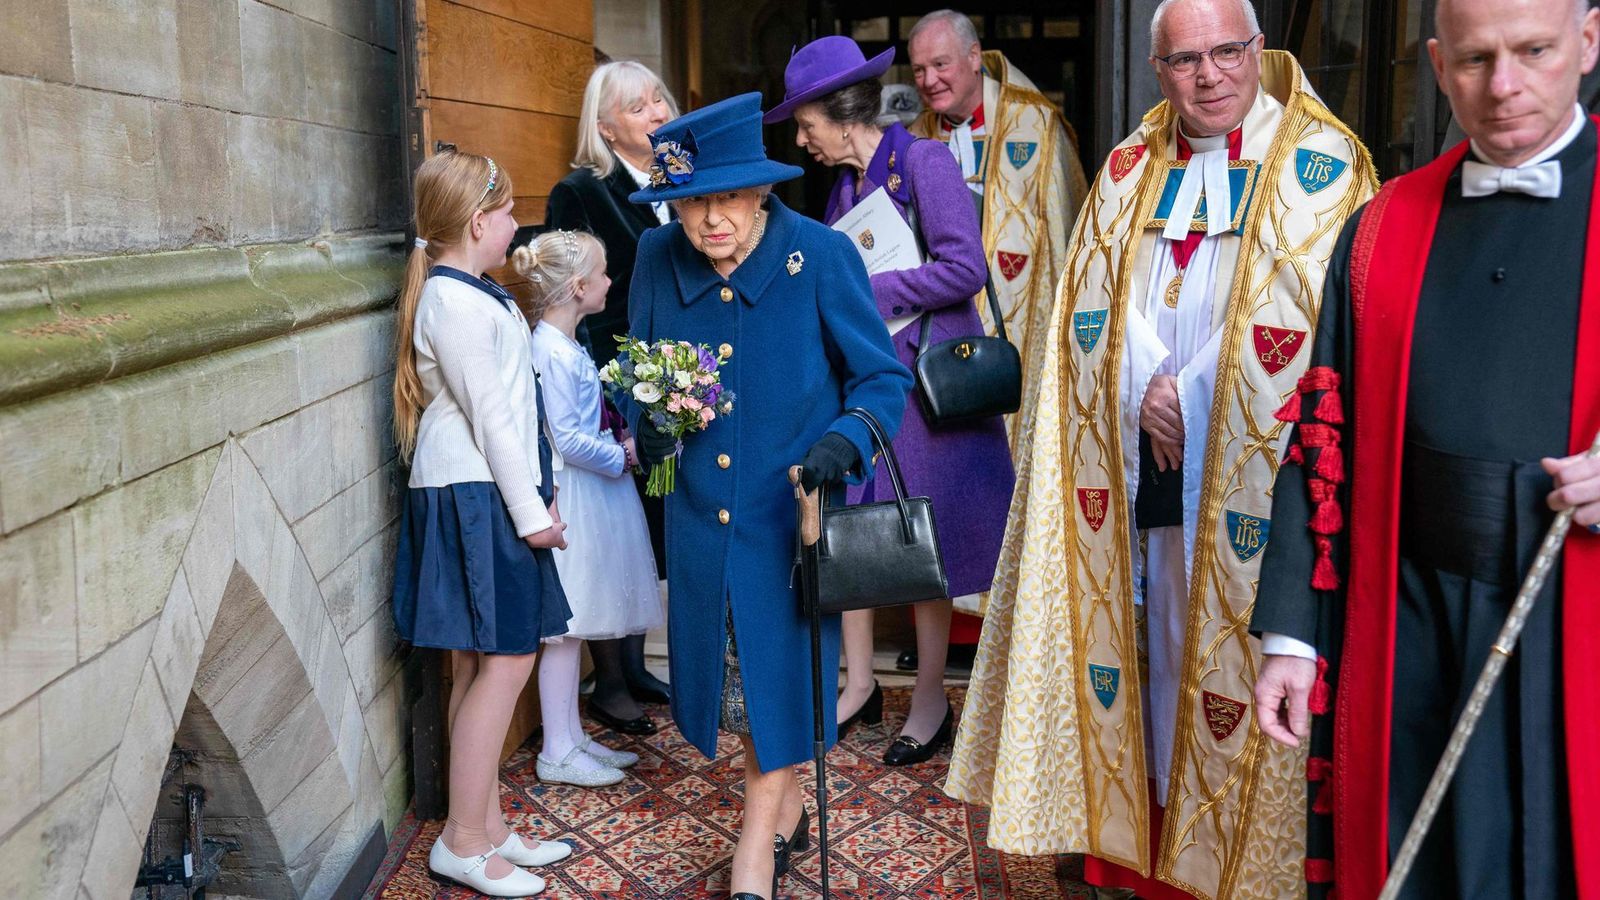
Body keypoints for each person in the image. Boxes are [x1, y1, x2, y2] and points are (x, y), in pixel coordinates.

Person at [942, 2, 1377, 898]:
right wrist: (1144, 389)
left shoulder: (1325, 169)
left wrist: (1198, 387)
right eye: (1183, 61)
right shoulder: (1128, 169)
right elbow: (1086, 305)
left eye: (1226, 52)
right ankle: (1129, 838)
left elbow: (1317, 318)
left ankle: (1227, 862)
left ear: (1259, 49)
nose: (1208, 76)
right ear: (1156, 70)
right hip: (1137, 457)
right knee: (1146, 639)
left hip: (1255, 476)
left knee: (1226, 648)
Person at [1251, 0, 1600, 896]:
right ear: (1439, 67)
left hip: (1576, 617)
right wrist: (1291, 634)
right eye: (1477, 60)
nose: (1506, 86)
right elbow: (1319, 437)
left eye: (1534, 51)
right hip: (1403, 623)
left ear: (1588, 43)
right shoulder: (1383, 224)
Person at [624, 92, 912, 900]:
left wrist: (844, 440)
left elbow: (881, 379)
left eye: (726, 198)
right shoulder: (656, 257)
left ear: (759, 190)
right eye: (692, 203)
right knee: (728, 688)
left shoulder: (819, 255)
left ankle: (755, 846)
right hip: (698, 522)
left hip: (790, 519)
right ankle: (787, 812)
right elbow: (640, 369)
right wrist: (645, 428)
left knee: (774, 683)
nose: (711, 220)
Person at [764, 35, 1014, 766]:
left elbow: (964, 269)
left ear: (841, 115)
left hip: (930, 388)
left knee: (923, 540)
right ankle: (860, 684)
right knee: (860, 528)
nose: (802, 141)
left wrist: (863, 294)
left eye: (805, 125)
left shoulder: (925, 162)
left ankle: (932, 695)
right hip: (873, 385)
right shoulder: (844, 188)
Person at [390, 151, 576, 897]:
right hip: (476, 494)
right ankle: (462, 843)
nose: (515, 225)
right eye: (506, 214)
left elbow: (513, 411)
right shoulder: (455, 303)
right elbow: (493, 420)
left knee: (483, 663)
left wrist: (541, 491)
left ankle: (487, 825)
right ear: (477, 222)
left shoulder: (472, 292)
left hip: (488, 490)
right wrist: (532, 516)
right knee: (504, 660)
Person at [904, 7, 1090, 648]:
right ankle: (949, 628)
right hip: (940, 342)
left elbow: (1069, 237)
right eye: (919, 68)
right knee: (948, 478)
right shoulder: (911, 139)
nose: (929, 80)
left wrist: (1075, 343)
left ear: (975, 58)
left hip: (1022, 338)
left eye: (941, 65)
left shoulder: (1036, 127)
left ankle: (1011, 632)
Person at [546, 60, 678, 733]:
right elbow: (575, 294)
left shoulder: (680, 181)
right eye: (638, 107)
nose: (657, 113)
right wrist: (604, 390)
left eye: (659, 100)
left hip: (674, 377)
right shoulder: (582, 191)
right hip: (612, 380)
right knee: (611, 521)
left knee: (646, 530)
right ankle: (609, 681)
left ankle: (633, 665)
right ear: (605, 127)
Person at [516, 230, 663, 788]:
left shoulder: (566, 344)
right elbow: (569, 439)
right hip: (576, 496)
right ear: (578, 288)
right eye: (602, 274)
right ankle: (556, 748)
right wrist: (623, 453)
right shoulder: (551, 352)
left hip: (592, 491)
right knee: (566, 626)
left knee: (574, 626)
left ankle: (572, 736)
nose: (609, 282)